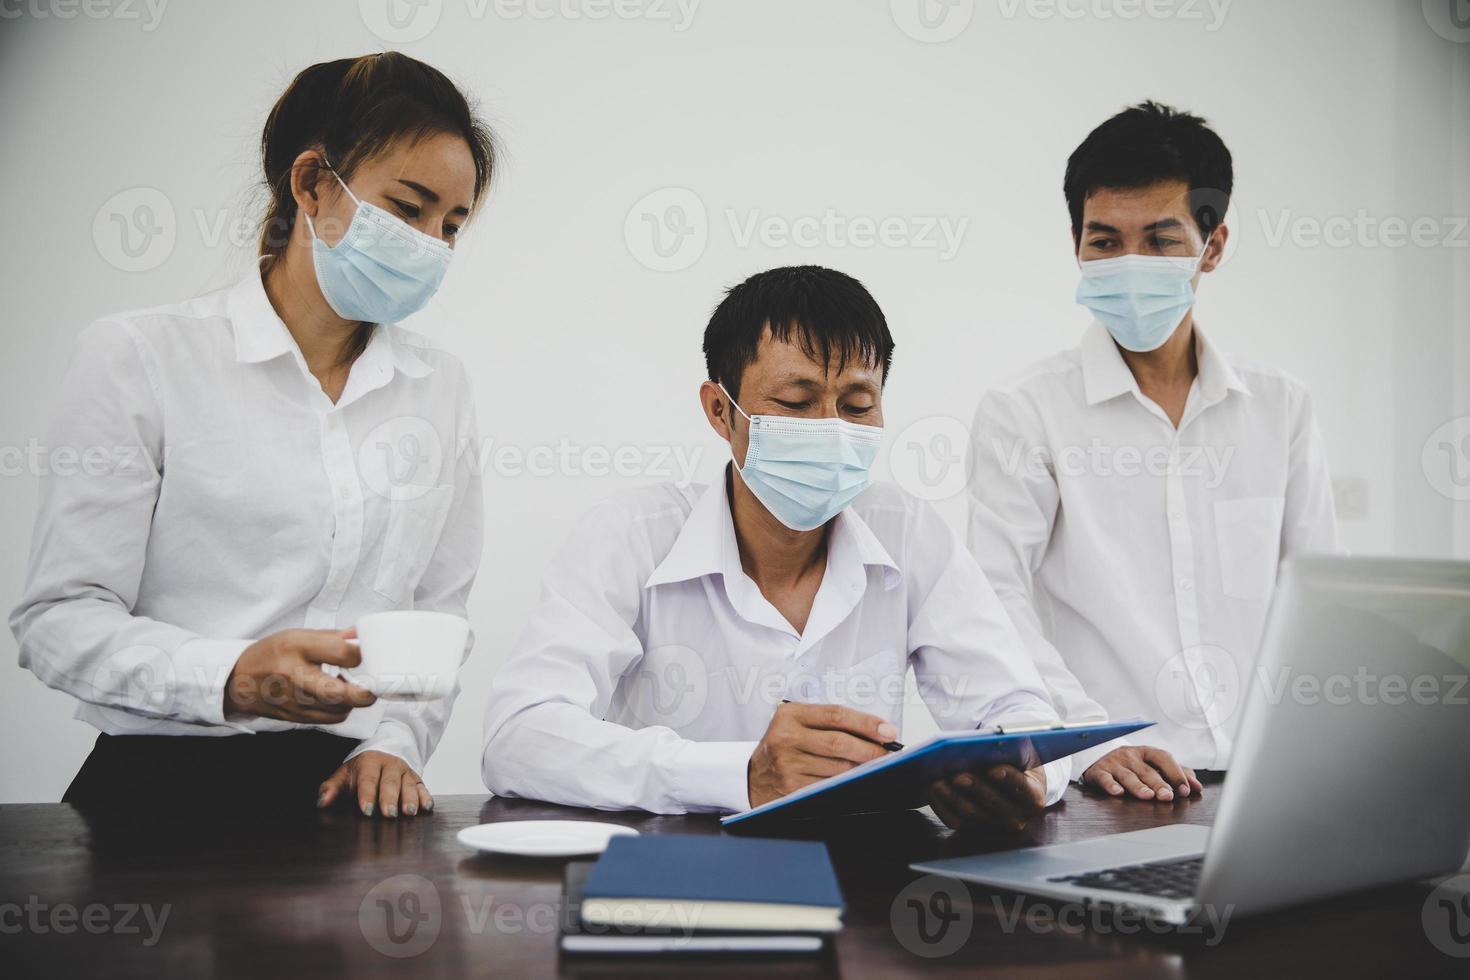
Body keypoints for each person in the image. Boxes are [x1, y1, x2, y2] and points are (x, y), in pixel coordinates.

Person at [10, 53, 495, 817]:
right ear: (311, 185)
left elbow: (440, 614)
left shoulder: (439, 387)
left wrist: (395, 742)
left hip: (348, 798)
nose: (432, 244)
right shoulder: (142, 357)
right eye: (408, 209)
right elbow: (58, 621)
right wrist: (230, 674)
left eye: (452, 225)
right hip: (157, 793)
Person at [482, 265, 1070, 831]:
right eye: (795, 402)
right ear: (719, 410)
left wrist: (1028, 777)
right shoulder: (630, 533)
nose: (832, 428)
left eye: (858, 405)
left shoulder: (910, 531)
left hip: (866, 885)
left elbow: (1022, 715)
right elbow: (519, 736)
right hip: (678, 881)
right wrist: (739, 775)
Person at [966, 102, 1340, 800]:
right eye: (1104, 241)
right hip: (1111, 782)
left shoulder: (1280, 407)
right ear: (1074, 242)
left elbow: (1319, 599)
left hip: (1268, 783)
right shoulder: (1025, 410)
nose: (1129, 264)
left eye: (1161, 241)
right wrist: (1081, 736)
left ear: (1214, 245)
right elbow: (993, 596)